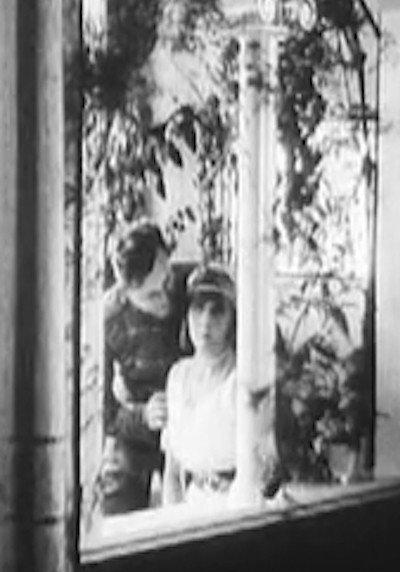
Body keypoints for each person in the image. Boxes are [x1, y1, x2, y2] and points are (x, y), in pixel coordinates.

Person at [161, 263, 282, 510]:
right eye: (198, 308)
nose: (205, 322)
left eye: (217, 311)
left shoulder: (242, 381)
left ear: (232, 320)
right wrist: (171, 518)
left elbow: (267, 468)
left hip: (233, 506)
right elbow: (172, 471)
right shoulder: (177, 376)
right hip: (191, 503)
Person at [99, 219, 186, 515]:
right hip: (139, 430)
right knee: (117, 516)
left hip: (190, 422)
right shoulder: (108, 319)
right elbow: (101, 411)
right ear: (125, 292)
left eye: (167, 280)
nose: (165, 298)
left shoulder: (188, 286)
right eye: (151, 295)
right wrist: (142, 416)